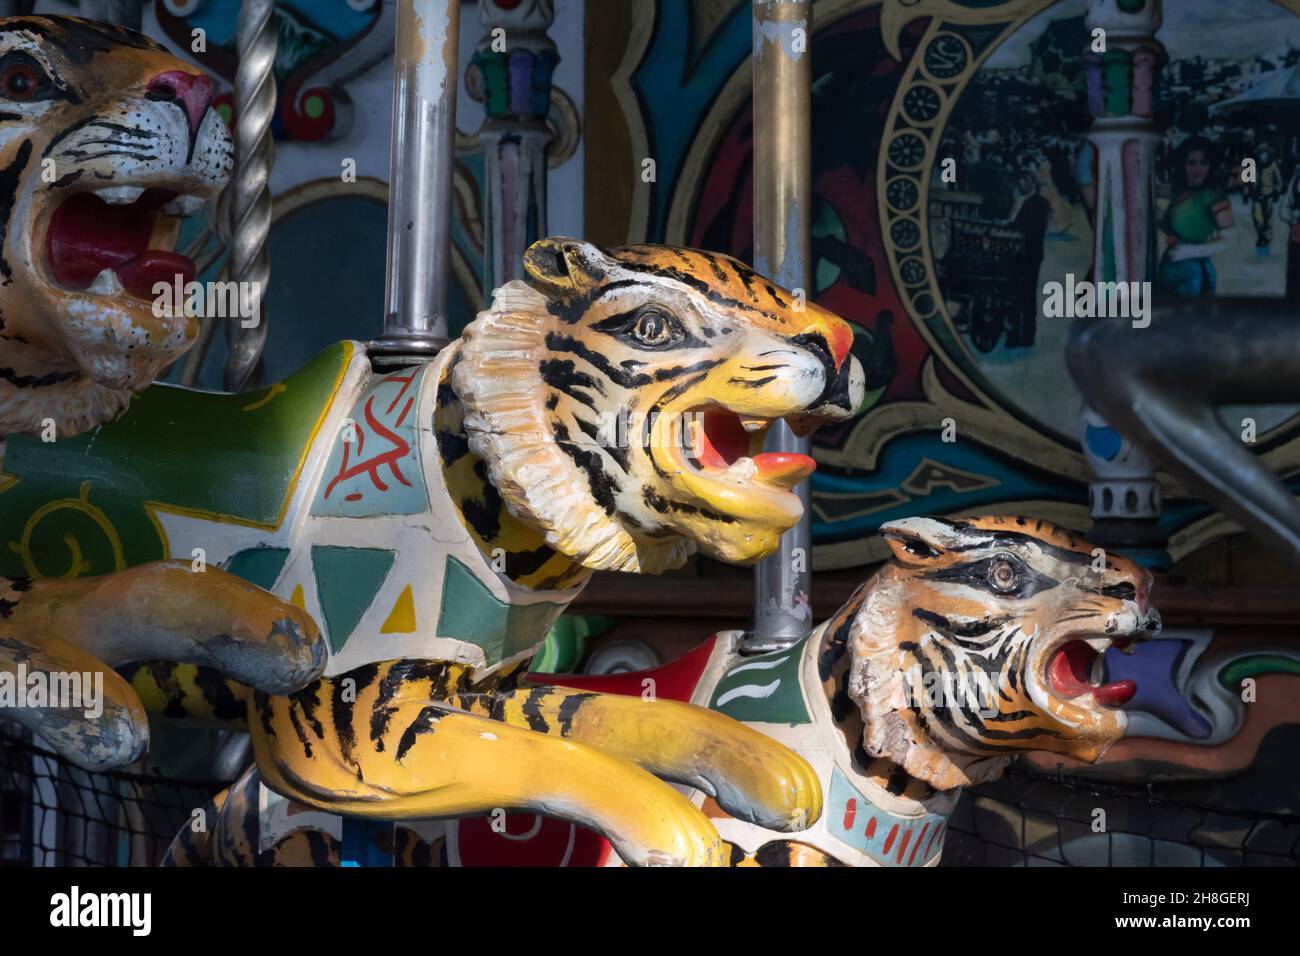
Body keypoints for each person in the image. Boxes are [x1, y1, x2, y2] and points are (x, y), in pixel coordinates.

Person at [1158, 135, 1234, 295]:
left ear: (1210, 165)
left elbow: (1229, 238)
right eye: (1191, 163)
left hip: (1195, 275)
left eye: (1203, 163)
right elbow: (1165, 222)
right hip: (1168, 270)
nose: (1197, 169)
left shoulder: (1215, 197)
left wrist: (1189, 252)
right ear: (1182, 165)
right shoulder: (1178, 193)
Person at [1007, 169, 1051, 348]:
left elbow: (1033, 227)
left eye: (1024, 180)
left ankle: (1026, 335)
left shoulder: (1040, 203)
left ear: (1032, 182)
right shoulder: (1021, 201)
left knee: (1027, 295)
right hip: (1019, 253)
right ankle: (1017, 332)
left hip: (1030, 254)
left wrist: (1013, 227)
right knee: (1017, 294)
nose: (1021, 184)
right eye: (1020, 181)